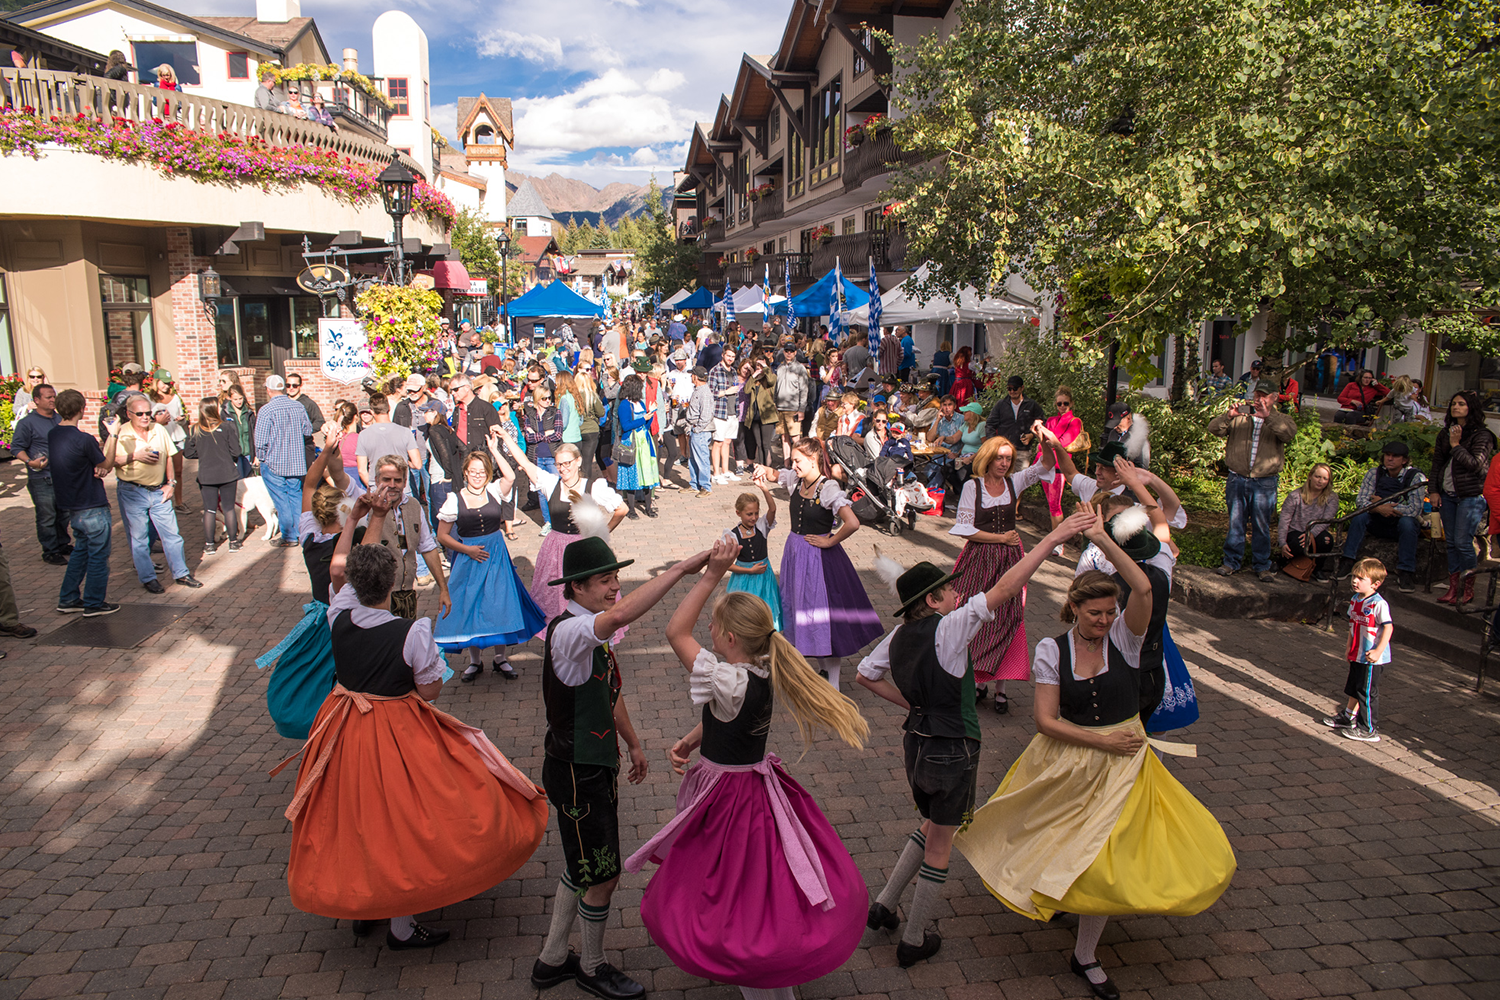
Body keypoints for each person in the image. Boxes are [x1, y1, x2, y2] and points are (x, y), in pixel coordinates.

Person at [954, 511, 1235, 1000]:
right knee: (1062, 835)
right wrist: (1103, 741)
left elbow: (1144, 591)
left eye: (1110, 612)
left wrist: (1103, 537)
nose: (1105, 621)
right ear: (1074, 609)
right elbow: (1046, 721)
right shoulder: (1050, 650)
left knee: (1103, 854)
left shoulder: (1126, 639)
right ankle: (1060, 895)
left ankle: (1085, 954)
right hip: (1072, 756)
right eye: (1095, 613)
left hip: (1125, 767)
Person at [277, 501, 548, 950]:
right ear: (393, 586)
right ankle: (400, 924)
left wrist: (363, 519)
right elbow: (429, 693)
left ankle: (363, 904)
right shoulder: (412, 633)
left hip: (340, 724)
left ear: (352, 585)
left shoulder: (337, 612)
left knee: (353, 816)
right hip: (391, 731)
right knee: (398, 821)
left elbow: (339, 571)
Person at [626, 537, 870, 1000]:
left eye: (715, 628)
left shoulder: (730, 676)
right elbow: (731, 713)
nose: (709, 635)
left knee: (734, 889)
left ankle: (756, 969)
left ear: (728, 638)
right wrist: (695, 737)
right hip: (757, 788)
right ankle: (777, 976)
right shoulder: (760, 668)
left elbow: (676, 632)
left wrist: (711, 573)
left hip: (730, 800)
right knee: (765, 881)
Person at [857, 513, 1096, 965]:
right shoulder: (950, 626)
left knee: (931, 825)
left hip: (918, 745)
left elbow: (865, 674)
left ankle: (884, 905)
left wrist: (914, 706)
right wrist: (1055, 538)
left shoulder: (899, 634)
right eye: (950, 590)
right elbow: (1006, 588)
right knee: (943, 844)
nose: (958, 594)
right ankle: (913, 939)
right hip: (953, 748)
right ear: (933, 599)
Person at [530, 537, 709, 1000]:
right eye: (606, 580)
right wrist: (684, 569)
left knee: (583, 862)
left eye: (616, 578)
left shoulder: (588, 628)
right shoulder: (571, 632)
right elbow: (623, 614)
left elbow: (607, 690)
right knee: (603, 873)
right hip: (576, 770)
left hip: (591, 765)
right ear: (578, 587)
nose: (615, 587)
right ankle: (591, 965)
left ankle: (552, 960)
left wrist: (632, 744)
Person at [750, 438, 883, 690]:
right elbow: (775, 473)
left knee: (823, 617)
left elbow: (852, 522)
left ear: (813, 461)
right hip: (796, 556)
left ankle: (833, 684)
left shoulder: (828, 488)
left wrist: (831, 541)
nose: (794, 465)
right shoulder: (796, 480)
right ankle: (822, 672)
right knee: (801, 611)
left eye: (798, 461)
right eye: (794, 461)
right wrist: (762, 470)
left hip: (820, 561)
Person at [949, 431, 1059, 714]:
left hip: (1010, 559)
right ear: (987, 458)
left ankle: (1001, 687)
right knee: (975, 613)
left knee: (1009, 615)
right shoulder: (973, 488)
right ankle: (977, 682)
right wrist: (1000, 539)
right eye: (999, 457)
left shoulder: (1015, 482)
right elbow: (965, 529)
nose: (1003, 463)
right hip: (981, 557)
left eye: (1008, 459)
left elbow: (1045, 466)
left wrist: (1047, 442)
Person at [435, 443, 547, 681]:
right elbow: (442, 535)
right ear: (465, 472)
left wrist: (494, 450)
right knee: (471, 606)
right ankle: (475, 662)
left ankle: (500, 658)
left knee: (499, 604)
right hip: (468, 559)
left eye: (482, 471)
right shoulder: (454, 500)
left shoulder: (495, 490)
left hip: (496, 557)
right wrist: (467, 549)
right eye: (473, 471)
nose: (477, 476)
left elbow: (510, 475)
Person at [1207, 380, 1297, 581]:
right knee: (1235, 522)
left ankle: (1261, 565)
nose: (1259, 400)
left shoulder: (1282, 418)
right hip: (1237, 477)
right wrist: (1229, 416)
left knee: (1261, 525)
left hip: (1264, 481)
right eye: (1257, 395)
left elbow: (1288, 434)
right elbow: (1213, 428)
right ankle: (1231, 562)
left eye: (1264, 396)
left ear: (1273, 398)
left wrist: (1268, 418)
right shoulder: (1242, 416)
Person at [113, 392, 203, 593]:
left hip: (158, 491)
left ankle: (181, 573)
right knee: (139, 538)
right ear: (129, 414)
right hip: (132, 491)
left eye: (148, 413)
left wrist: (171, 483)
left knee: (172, 535)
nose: (145, 417)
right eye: (140, 414)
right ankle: (148, 578)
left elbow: (170, 456)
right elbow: (112, 461)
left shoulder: (158, 430)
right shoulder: (122, 433)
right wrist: (136, 456)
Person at [50, 390, 123, 617]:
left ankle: (68, 598)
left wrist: (96, 465)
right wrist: (113, 435)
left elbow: (92, 464)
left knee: (81, 551)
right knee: (99, 555)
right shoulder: (85, 439)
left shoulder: (53, 434)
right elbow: (107, 463)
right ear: (82, 409)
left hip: (73, 506)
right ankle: (94, 603)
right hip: (91, 505)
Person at [1429, 389, 1496, 606]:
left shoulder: (1483, 436)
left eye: (1461, 404)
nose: (1455, 407)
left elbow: (1476, 465)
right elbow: (1437, 463)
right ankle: (1453, 587)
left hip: (1470, 496)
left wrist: (1456, 445)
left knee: (1463, 542)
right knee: (1450, 543)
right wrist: (1434, 490)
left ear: (1471, 408)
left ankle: (1468, 587)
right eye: (1453, 403)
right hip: (1447, 494)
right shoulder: (1445, 432)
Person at [1332, 442, 1426, 592]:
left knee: (1408, 523)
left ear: (1404, 460)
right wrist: (1378, 508)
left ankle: (1406, 572)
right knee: (1359, 517)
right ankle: (1348, 560)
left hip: (1399, 524)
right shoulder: (1373, 473)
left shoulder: (1416, 477)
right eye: (1387, 455)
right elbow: (1361, 501)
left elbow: (1414, 509)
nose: (1390, 459)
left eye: (1395, 456)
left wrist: (1386, 505)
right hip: (1377, 521)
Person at [1323, 558, 1393, 743]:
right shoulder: (1354, 600)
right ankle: (1348, 716)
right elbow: (1352, 626)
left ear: (1375, 584)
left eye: (1361, 578)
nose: (1355, 581)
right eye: (1354, 576)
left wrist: (1378, 651)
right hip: (1357, 653)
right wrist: (1348, 648)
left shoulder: (1378, 604)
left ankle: (1368, 728)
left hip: (1371, 658)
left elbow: (1388, 628)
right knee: (1354, 686)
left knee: (1367, 692)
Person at [11, 381, 72, 565]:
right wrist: (30, 462)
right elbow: (16, 448)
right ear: (36, 400)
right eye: (49, 397)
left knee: (64, 514)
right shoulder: (27, 423)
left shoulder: (59, 418)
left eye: (54, 396)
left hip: (62, 476)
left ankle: (62, 544)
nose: (53, 400)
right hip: (41, 478)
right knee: (47, 517)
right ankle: (50, 551)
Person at [256, 375, 314, 548]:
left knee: (281, 499)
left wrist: (262, 458)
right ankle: (302, 533)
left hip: (274, 462)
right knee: (296, 496)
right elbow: (307, 430)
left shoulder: (266, 410)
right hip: (295, 461)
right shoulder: (298, 406)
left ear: (268, 389)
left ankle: (289, 535)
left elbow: (260, 441)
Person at [182, 397, 243, 554]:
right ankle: (233, 542)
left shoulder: (194, 430)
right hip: (227, 473)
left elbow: (188, 453)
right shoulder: (227, 427)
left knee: (209, 509)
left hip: (206, 475)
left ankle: (209, 544)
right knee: (229, 508)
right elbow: (236, 451)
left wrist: (203, 454)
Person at [723, 483, 783, 629]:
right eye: (749, 514)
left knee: (766, 609)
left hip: (764, 578)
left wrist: (764, 489)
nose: (754, 517)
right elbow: (726, 564)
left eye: (756, 513)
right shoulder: (732, 535)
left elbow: (773, 509)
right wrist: (750, 570)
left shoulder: (762, 526)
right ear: (738, 513)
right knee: (745, 614)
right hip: (744, 579)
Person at [1278, 463, 1339, 582]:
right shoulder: (1295, 496)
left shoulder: (1332, 498)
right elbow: (1284, 519)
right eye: (1318, 477)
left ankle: (1317, 569)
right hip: (1296, 530)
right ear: (1310, 476)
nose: (1320, 481)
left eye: (1325, 478)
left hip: (1316, 531)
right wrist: (1282, 542)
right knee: (1298, 542)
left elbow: (1327, 520)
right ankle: (1283, 561)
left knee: (1326, 541)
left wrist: (1311, 534)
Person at [1040, 386, 1083, 546]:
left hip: (1059, 466)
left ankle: (1057, 542)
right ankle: (1055, 539)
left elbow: (1064, 443)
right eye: (1059, 404)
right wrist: (1050, 442)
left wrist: (1050, 441)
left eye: (1065, 403)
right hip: (1045, 464)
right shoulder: (1051, 420)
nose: (1062, 406)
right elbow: (1043, 443)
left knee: (1055, 504)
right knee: (1051, 503)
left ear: (1070, 403)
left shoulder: (1074, 421)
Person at [614, 372, 661, 517]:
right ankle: (632, 509)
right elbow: (626, 426)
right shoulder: (624, 405)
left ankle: (648, 508)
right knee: (632, 477)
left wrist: (651, 413)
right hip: (632, 443)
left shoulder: (640, 403)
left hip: (644, 442)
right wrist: (644, 418)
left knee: (647, 475)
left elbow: (646, 426)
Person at [984, 376, 1045, 458]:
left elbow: (1042, 422)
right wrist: (993, 443)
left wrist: (1032, 435)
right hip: (1004, 449)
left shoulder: (1031, 404)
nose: (1012, 391)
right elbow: (990, 424)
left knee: (1022, 471)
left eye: (1015, 388)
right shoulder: (1001, 404)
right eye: (1009, 389)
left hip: (1023, 451)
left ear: (1022, 388)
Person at [773, 344, 811, 467]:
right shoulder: (780, 367)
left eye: (791, 351)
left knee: (796, 439)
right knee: (784, 438)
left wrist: (801, 409)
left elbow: (804, 390)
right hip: (780, 408)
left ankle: (799, 462)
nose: (789, 353)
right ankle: (786, 464)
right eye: (787, 351)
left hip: (793, 409)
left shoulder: (800, 368)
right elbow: (776, 388)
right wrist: (774, 403)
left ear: (795, 353)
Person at [709, 346, 741, 484]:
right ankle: (716, 473)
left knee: (727, 441)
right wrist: (726, 392)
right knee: (718, 442)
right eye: (728, 356)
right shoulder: (715, 371)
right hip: (720, 411)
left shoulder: (734, 371)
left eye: (733, 357)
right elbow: (710, 392)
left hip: (732, 410)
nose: (730, 359)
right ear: (723, 355)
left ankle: (725, 471)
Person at [685, 365, 714, 497]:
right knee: (693, 458)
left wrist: (698, 428)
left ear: (696, 377)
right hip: (695, 428)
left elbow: (706, 414)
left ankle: (706, 486)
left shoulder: (704, 392)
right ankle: (694, 484)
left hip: (700, 430)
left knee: (702, 458)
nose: (691, 377)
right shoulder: (698, 390)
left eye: (692, 375)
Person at [285, 373, 326, 467]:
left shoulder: (308, 403)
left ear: (300, 386)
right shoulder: (283, 402)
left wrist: (304, 430)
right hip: (286, 446)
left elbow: (320, 421)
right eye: (288, 385)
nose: (291, 388)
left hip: (304, 445)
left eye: (294, 385)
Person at [1101, 402, 1150, 468]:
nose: (1115, 427)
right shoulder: (1113, 433)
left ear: (1128, 418)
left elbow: (1142, 466)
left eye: (1118, 423)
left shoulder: (1139, 438)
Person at [222, 383, 256, 479]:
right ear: (229, 398)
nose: (238, 402)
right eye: (235, 399)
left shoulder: (249, 413)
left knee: (249, 481)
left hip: (248, 453)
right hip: (234, 455)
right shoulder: (225, 414)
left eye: (240, 398)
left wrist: (256, 455)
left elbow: (254, 433)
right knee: (239, 482)